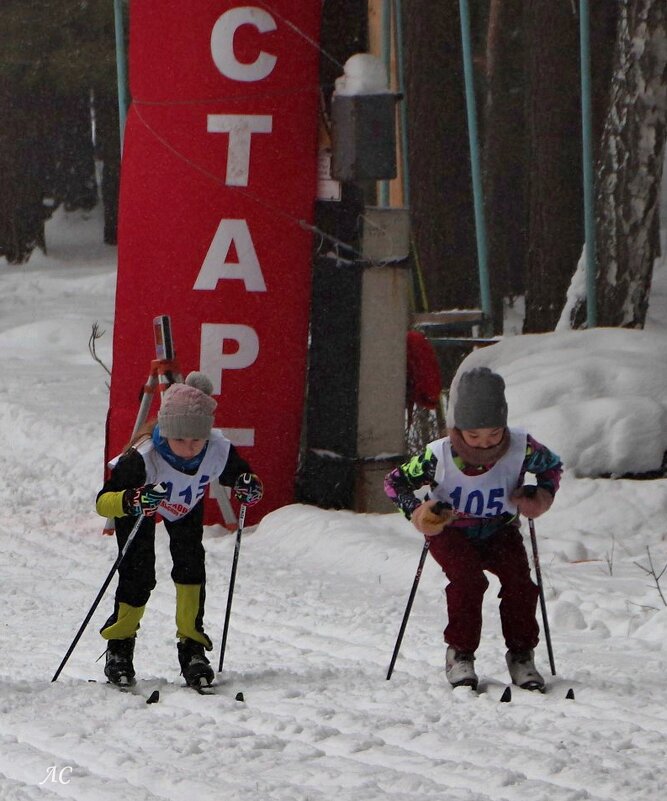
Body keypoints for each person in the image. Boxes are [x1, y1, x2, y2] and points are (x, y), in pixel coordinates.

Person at [384, 366, 562, 691]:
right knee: (469, 581)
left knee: (520, 583)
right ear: (458, 427)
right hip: (451, 531)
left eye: (494, 433)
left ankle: (522, 655)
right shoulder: (438, 454)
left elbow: (552, 467)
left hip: (499, 528)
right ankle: (460, 654)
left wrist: (540, 495)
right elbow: (395, 483)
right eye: (474, 435)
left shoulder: (521, 446)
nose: (484, 443)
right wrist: (419, 511)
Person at [95, 371, 263, 689]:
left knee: (191, 567)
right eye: (180, 440)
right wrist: (133, 499)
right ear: (166, 433)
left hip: (185, 504)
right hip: (141, 504)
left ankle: (192, 647)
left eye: (197, 440)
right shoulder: (142, 457)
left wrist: (248, 487)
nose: (189, 448)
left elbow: (241, 476)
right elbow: (103, 503)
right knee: (138, 572)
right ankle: (120, 645)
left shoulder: (216, 448)